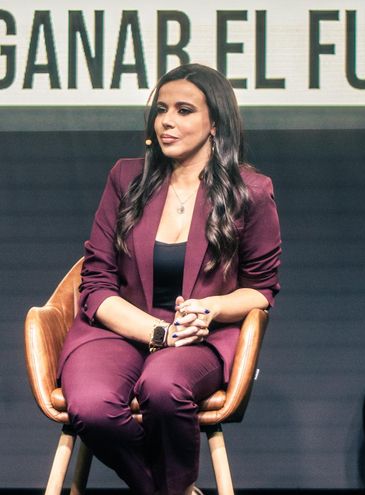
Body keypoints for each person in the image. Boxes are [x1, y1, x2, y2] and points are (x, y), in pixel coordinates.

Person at [57, 63, 281, 495]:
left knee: (163, 386)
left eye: (183, 110)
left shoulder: (250, 191)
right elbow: (97, 282)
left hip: (204, 336)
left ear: (215, 122)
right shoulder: (126, 178)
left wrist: (210, 308)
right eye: (161, 110)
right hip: (118, 329)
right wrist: (160, 332)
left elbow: (262, 289)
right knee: (92, 406)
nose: (167, 122)